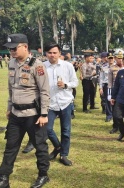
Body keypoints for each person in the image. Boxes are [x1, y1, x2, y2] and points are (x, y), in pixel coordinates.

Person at [0, 33, 50, 188]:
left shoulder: (38, 65)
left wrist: (44, 114)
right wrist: (9, 108)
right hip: (16, 114)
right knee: (11, 147)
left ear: (25, 47)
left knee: (40, 146)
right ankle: (3, 177)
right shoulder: (12, 63)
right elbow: (11, 88)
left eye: (14, 48)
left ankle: (43, 175)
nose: (12, 52)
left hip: (33, 115)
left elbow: (44, 91)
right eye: (10, 49)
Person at [44, 43, 78, 166]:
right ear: (46, 53)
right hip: (50, 103)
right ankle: (58, 147)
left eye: (54, 52)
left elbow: (75, 82)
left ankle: (64, 155)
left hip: (65, 102)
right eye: (49, 52)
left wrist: (65, 85)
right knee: (47, 129)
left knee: (66, 130)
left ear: (59, 53)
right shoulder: (42, 67)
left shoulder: (67, 66)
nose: (52, 55)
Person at [108, 52, 124, 134]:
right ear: (115, 58)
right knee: (114, 109)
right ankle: (115, 127)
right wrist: (110, 93)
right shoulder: (112, 68)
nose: (120, 60)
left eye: (121, 58)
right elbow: (110, 81)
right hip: (115, 90)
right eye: (118, 58)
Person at [99, 52, 113, 122]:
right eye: (109, 58)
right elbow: (101, 78)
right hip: (107, 85)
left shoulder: (117, 66)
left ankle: (114, 114)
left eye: (111, 58)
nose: (110, 59)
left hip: (115, 85)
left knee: (115, 100)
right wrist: (100, 87)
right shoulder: (104, 67)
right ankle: (109, 115)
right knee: (108, 100)